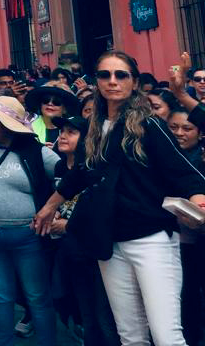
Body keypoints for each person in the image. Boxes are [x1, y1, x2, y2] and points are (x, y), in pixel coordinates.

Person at [34, 51, 205, 346]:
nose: (112, 81)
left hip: (151, 240)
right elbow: (81, 173)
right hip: (110, 242)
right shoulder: (95, 129)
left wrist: (199, 201)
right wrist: (49, 206)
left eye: (121, 75)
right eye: (105, 75)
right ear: (97, 81)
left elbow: (182, 171)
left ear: (134, 82)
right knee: (130, 336)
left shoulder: (150, 126)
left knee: (167, 336)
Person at [0, 96, 58, 346]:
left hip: (29, 239)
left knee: (36, 296)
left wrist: (53, 208)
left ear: (9, 123)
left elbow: (67, 178)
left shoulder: (38, 153)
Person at [47, 114, 118, 346]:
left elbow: (101, 209)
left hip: (92, 250)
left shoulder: (93, 168)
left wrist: (70, 224)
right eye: (61, 131)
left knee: (104, 315)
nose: (63, 136)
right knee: (84, 311)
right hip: (68, 250)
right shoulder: (58, 165)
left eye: (71, 132)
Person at [167, 109, 205, 346]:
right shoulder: (162, 159)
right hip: (173, 242)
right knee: (184, 299)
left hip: (195, 241)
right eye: (173, 127)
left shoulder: (198, 162)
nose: (179, 133)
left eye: (187, 128)